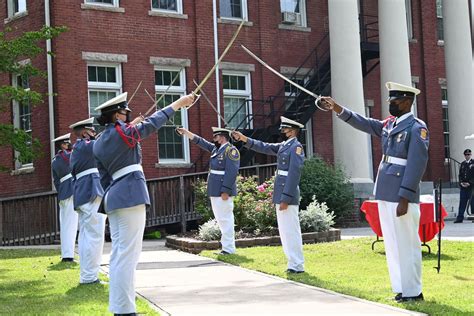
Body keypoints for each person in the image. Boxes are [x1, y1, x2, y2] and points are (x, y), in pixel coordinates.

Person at [320, 82, 429, 302]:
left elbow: (417, 164)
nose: (391, 105)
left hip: (401, 193)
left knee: (407, 244)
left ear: (407, 102)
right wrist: (337, 108)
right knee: (392, 243)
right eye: (390, 101)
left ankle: (414, 291)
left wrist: (405, 196)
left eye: (395, 101)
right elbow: (366, 123)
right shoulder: (390, 124)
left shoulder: (416, 128)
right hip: (385, 190)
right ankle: (400, 287)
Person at [93, 91, 194, 316]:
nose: (128, 117)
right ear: (116, 116)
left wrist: (130, 129)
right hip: (130, 194)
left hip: (114, 196)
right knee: (128, 255)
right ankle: (125, 310)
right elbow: (153, 123)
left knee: (120, 255)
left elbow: (106, 174)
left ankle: (121, 307)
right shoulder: (123, 133)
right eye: (124, 114)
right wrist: (179, 103)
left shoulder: (99, 142)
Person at [232, 116, 305, 274]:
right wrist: (244, 139)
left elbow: (294, 175)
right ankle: (292, 263)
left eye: (285, 128)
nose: (282, 130)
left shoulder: (296, 147)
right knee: (285, 231)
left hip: (288, 195)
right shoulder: (285, 145)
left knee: (291, 230)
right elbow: (264, 146)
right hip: (281, 193)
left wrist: (285, 198)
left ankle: (297, 265)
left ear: (292, 131)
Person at [177, 127, 240, 255]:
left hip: (223, 191)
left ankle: (229, 249)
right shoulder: (217, 149)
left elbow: (231, 172)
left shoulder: (230, 151)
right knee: (221, 219)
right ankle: (226, 247)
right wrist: (186, 133)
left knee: (226, 219)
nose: (214, 139)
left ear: (222, 137)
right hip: (215, 190)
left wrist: (226, 190)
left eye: (216, 137)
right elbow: (201, 142)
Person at [69, 117, 107, 284]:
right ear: (85, 133)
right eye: (92, 131)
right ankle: (90, 277)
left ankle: (88, 276)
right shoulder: (84, 146)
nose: (95, 133)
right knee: (94, 236)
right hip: (90, 191)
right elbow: (106, 140)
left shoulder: (80, 147)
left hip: (85, 192)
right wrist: (132, 124)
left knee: (87, 236)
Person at [51, 133, 79, 262]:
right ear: (63, 145)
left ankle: (66, 253)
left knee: (66, 224)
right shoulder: (69, 156)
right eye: (67, 143)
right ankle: (68, 256)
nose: (70, 145)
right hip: (72, 190)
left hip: (63, 192)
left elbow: (56, 181)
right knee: (71, 225)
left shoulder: (55, 160)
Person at [454, 148, 474, 223]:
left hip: (471, 187)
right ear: (464, 155)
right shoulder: (462, 164)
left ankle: (473, 217)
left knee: (472, 202)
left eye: (469, 154)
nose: (467, 156)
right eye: (466, 155)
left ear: (471, 155)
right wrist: (461, 183)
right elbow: (460, 175)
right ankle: (460, 218)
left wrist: (470, 183)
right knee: (462, 202)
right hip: (463, 187)